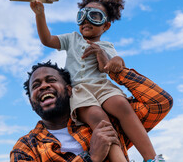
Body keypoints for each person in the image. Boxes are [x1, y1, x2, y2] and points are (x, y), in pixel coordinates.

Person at [29, 0, 162, 161]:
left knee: (122, 104)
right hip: (79, 90)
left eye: (94, 16)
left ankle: (152, 158)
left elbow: (107, 66)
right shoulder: (71, 39)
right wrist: (40, 14)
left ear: (105, 26)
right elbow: (47, 40)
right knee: (98, 117)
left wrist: (112, 59)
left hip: (101, 87)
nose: (86, 20)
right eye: (82, 16)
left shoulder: (106, 45)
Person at [10, 61, 173, 161]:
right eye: (36, 86)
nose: (44, 86)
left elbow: (159, 103)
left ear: (69, 90)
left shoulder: (106, 122)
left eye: (51, 80)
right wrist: (91, 157)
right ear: (32, 103)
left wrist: (115, 70)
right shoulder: (25, 148)